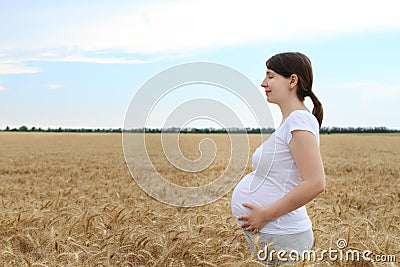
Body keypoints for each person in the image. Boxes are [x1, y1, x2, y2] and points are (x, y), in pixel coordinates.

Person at [231, 52, 326, 265]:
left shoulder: (299, 120)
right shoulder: (291, 121)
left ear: (292, 80)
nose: (263, 83)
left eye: (270, 76)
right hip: (277, 234)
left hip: (284, 236)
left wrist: (265, 215)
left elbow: (316, 182)